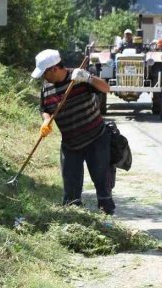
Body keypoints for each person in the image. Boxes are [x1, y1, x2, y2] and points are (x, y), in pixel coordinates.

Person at [32, 49, 115, 214]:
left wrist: (89, 78)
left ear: (54, 69)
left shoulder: (79, 78)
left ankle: (107, 217)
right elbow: (45, 109)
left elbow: (106, 88)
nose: (43, 77)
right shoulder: (46, 88)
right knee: (71, 192)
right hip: (70, 144)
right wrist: (46, 120)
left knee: (103, 186)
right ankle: (74, 217)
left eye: (44, 73)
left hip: (96, 139)